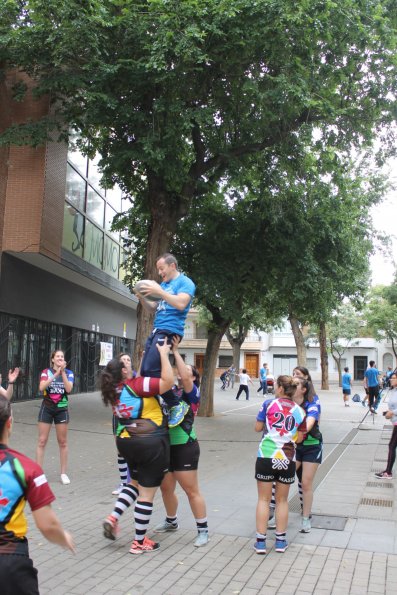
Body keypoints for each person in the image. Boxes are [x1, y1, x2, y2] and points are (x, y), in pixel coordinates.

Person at [101, 340, 174, 554]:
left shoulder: (114, 390)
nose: (129, 366)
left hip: (126, 441)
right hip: (149, 441)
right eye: (126, 365)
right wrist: (163, 353)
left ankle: (113, 517)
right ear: (123, 372)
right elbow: (168, 381)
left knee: (133, 483)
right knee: (147, 494)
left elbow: (139, 380)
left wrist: (143, 360)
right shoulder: (135, 386)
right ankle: (139, 542)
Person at [0, 395, 75, 594]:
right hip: (9, 563)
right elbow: (47, 525)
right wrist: (63, 537)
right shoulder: (27, 468)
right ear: (9, 423)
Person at [154, 337, 209, 547]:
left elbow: (185, 379)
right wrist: (159, 354)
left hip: (185, 446)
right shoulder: (169, 391)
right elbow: (161, 376)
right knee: (166, 488)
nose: (182, 372)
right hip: (166, 446)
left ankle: (203, 530)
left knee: (190, 489)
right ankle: (171, 521)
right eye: (180, 369)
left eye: (187, 370)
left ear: (194, 377)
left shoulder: (192, 393)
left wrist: (175, 351)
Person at [135, 253, 196, 427]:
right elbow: (154, 308)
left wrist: (159, 291)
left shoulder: (185, 283)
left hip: (170, 331)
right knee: (146, 372)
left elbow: (181, 304)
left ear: (172, 266)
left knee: (152, 369)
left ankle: (176, 404)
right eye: (158, 270)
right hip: (157, 330)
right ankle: (167, 403)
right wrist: (142, 298)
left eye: (162, 269)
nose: (160, 273)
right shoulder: (164, 285)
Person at [254, 375, 306, 555]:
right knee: (282, 500)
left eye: (276, 385)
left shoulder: (268, 405)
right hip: (287, 458)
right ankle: (280, 541)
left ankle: (260, 542)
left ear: (281, 389)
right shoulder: (300, 411)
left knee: (264, 499)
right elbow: (300, 437)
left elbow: (258, 428)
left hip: (266, 455)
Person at [36, 350, 74, 485]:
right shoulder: (46, 372)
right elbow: (42, 387)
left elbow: (69, 389)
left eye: (62, 357)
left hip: (61, 409)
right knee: (42, 440)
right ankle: (39, 473)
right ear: (52, 359)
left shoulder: (69, 373)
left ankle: (63, 473)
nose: (60, 358)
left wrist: (62, 372)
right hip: (47, 407)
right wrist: (55, 374)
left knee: (62, 441)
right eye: (57, 356)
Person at [293, 376, 322, 533]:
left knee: (306, 483)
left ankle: (305, 519)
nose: (293, 385)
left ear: (303, 390)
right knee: (283, 478)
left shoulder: (312, 403)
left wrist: (302, 431)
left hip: (312, 446)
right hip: (294, 446)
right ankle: (277, 513)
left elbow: (310, 422)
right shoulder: (288, 403)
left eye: (296, 384)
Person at [111, 353, 136, 495]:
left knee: (134, 451)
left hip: (134, 419)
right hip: (119, 419)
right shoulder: (114, 381)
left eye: (128, 359)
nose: (126, 361)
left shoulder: (136, 379)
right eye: (123, 360)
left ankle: (133, 482)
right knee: (121, 451)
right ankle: (123, 483)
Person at [374, 373, 397, 479]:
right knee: (392, 446)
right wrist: (388, 412)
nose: (391, 380)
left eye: (394, 378)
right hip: (395, 422)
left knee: (392, 446)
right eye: (391, 378)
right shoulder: (393, 391)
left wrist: (392, 413)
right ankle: (388, 471)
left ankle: (388, 472)